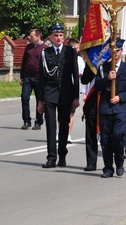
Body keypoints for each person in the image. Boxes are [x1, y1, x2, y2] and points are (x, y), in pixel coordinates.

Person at [95, 39, 126, 178]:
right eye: (112, 51)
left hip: (121, 107)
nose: (115, 54)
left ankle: (119, 162)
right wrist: (107, 79)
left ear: (122, 51)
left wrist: (121, 97)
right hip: (106, 108)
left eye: (118, 51)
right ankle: (108, 168)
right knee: (106, 139)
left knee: (118, 135)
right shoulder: (103, 68)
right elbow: (97, 87)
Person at [37, 23, 80, 168]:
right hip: (49, 93)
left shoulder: (70, 52)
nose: (58, 38)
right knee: (50, 126)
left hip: (66, 94)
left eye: (61, 35)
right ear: (50, 37)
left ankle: (62, 155)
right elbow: (41, 78)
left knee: (64, 125)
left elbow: (75, 74)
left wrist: (76, 96)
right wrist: (40, 100)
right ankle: (51, 157)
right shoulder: (45, 53)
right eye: (55, 35)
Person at [19, 29, 47, 130]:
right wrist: (22, 76)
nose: (29, 38)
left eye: (32, 36)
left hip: (39, 78)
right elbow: (24, 62)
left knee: (39, 100)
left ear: (38, 36)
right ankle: (26, 121)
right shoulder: (28, 47)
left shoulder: (45, 49)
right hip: (27, 77)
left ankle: (38, 122)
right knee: (24, 97)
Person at [80, 64, 99, 171]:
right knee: (91, 135)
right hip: (92, 102)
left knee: (109, 136)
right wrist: (92, 67)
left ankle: (110, 163)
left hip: (107, 102)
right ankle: (91, 162)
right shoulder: (91, 62)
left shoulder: (112, 62)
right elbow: (84, 80)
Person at [66, 37, 85, 143]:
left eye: (78, 48)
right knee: (62, 112)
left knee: (71, 113)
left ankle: (68, 134)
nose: (78, 50)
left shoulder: (80, 60)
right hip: (64, 88)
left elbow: (82, 73)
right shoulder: (63, 57)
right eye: (76, 48)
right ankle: (60, 133)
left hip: (74, 88)